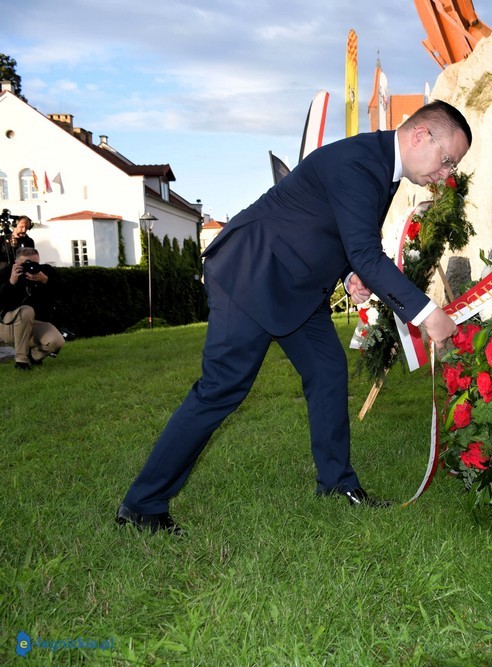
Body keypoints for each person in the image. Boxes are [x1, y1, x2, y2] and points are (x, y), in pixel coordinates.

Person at [116, 100, 470, 534]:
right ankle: (142, 505)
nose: (446, 174)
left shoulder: (384, 167)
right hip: (251, 273)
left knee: (327, 370)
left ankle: (336, 485)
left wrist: (349, 274)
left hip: (295, 285)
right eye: (447, 160)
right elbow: (364, 249)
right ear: (420, 135)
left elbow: (339, 232)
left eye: (453, 166)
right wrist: (427, 314)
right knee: (221, 388)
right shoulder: (361, 162)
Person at [0, 247, 64, 371]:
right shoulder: (6, 273)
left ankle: (33, 357)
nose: (30, 267)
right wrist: (11, 282)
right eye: (26, 263)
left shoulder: (45, 272)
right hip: (10, 325)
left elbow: (65, 292)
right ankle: (21, 361)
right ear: (16, 263)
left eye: (35, 263)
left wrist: (46, 280)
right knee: (26, 311)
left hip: (36, 323)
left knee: (56, 341)